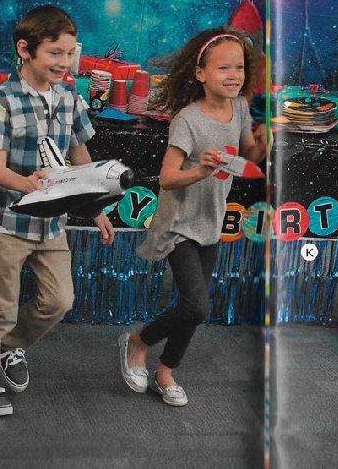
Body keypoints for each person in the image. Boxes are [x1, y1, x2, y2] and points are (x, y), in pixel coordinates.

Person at [0, 6, 115, 417]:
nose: (64, 62)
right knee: (1, 309)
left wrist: (96, 208)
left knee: (59, 300)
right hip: (4, 222)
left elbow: (80, 156)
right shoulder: (2, 100)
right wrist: (28, 183)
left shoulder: (69, 97)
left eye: (70, 53)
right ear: (25, 50)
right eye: (54, 53)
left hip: (50, 224)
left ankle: (11, 346)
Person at [118, 26, 266, 407]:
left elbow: (247, 153)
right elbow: (166, 178)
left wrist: (261, 145)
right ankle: (138, 342)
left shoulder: (239, 108)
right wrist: (201, 170)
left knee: (192, 308)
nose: (234, 75)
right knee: (196, 306)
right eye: (223, 68)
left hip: (210, 223)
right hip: (179, 224)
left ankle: (165, 371)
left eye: (239, 67)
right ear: (200, 73)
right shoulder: (187, 120)